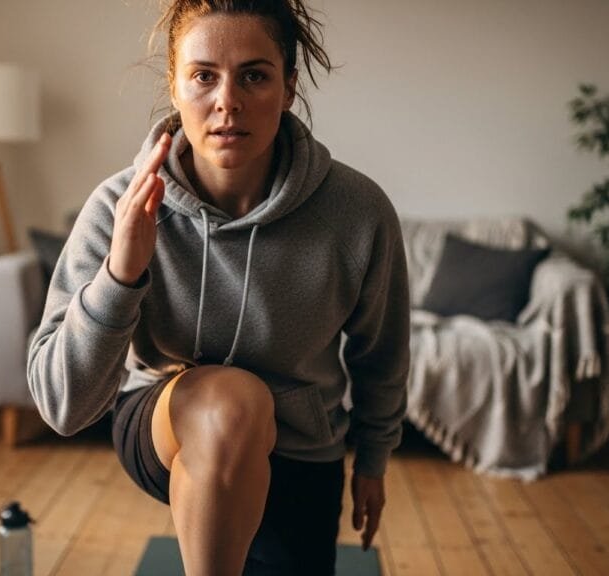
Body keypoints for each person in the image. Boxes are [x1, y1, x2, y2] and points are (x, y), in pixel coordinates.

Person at [27, 1, 410, 574]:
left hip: (302, 447)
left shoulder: (357, 211)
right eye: (204, 75)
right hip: (168, 426)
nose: (227, 101)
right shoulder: (120, 205)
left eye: (254, 75)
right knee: (233, 401)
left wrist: (374, 462)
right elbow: (62, 405)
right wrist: (120, 274)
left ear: (287, 89)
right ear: (175, 87)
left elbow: (380, 352)